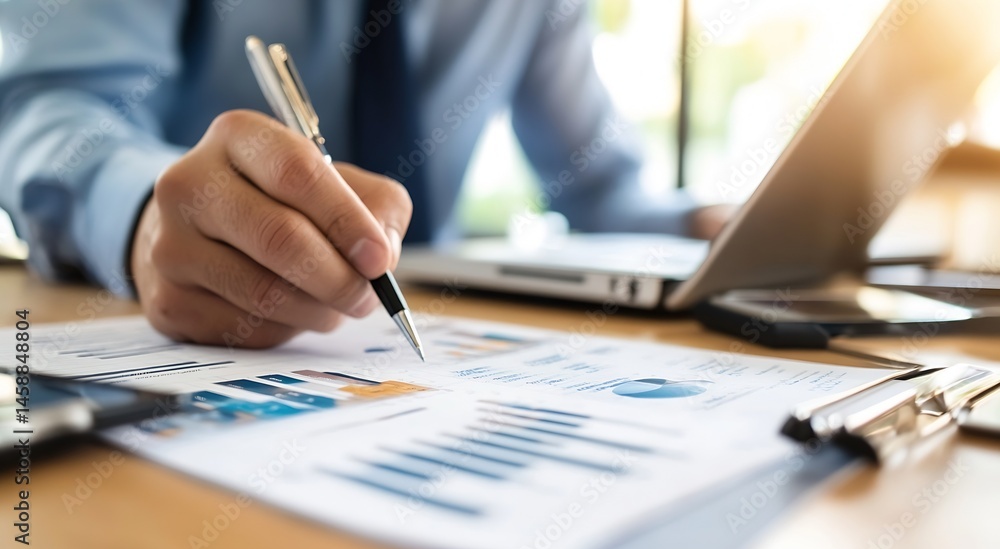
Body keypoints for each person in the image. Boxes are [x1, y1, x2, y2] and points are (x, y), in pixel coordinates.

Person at [0, 0, 729, 348]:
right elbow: (47, 104)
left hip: (427, 321)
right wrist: (140, 211)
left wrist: (713, 224)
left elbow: (599, 184)